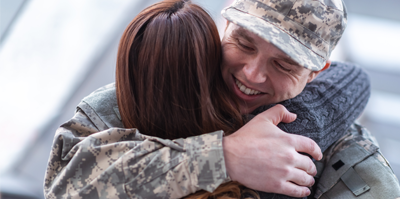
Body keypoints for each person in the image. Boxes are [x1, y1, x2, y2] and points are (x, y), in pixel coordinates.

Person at [44, 0, 400, 198]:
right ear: (223, 25)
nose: (252, 75)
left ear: (316, 73)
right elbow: (65, 186)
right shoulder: (149, 91)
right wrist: (221, 158)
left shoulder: (336, 145)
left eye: (284, 64)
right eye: (244, 43)